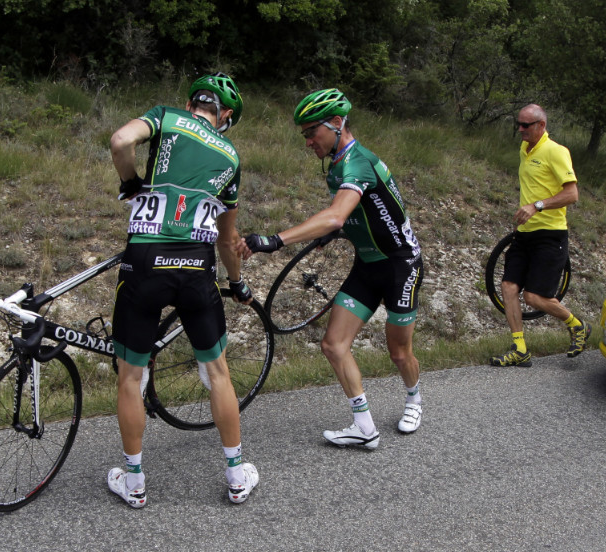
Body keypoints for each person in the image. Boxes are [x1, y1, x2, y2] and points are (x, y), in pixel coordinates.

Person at [237, 88, 424, 450]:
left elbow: (337, 212)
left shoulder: (357, 162)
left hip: (401, 265)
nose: (307, 141)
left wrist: (275, 240)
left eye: (312, 131)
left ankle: (414, 399)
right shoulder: (338, 165)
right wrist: (339, 231)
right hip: (368, 264)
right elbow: (356, 212)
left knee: (400, 353)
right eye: (304, 134)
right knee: (333, 344)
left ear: (337, 123)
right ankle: (364, 426)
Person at [107, 72, 259, 508]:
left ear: (194, 102)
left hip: (145, 265)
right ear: (225, 114)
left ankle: (134, 483)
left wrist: (131, 182)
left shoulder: (166, 118)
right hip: (196, 268)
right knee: (217, 373)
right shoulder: (230, 154)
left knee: (131, 377)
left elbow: (120, 141)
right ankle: (235, 477)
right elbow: (227, 241)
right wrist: (237, 282)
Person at [490, 103, 590, 367]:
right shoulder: (525, 149)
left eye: (525, 125)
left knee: (534, 298)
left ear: (541, 126)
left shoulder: (556, 152)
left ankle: (577, 325)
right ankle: (520, 349)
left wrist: (537, 206)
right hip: (524, 234)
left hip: (550, 235)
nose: (520, 129)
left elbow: (572, 194)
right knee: (509, 287)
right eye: (518, 124)